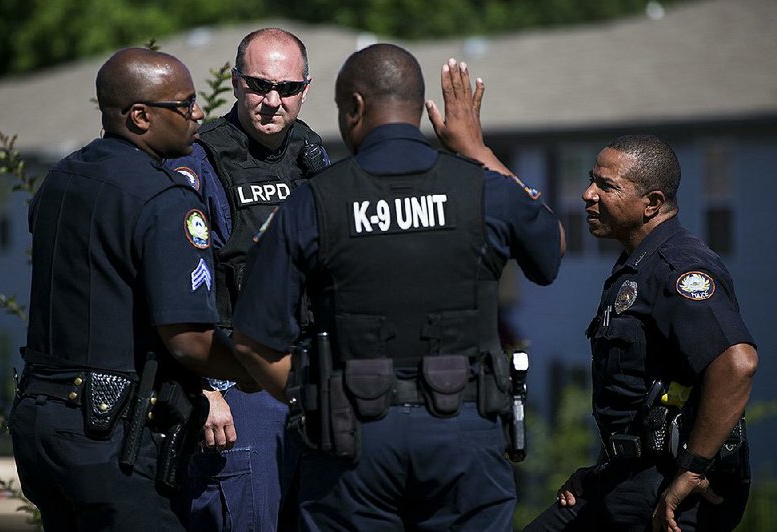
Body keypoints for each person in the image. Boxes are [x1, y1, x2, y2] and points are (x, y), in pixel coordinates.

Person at [231, 44, 566, 530]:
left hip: (352, 441)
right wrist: (477, 149)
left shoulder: (314, 202)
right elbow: (550, 251)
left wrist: (315, 399)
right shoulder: (482, 190)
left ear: (354, 108)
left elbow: (253, 341)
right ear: (418, 108)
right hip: (465, 435)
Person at [9, 48, 256, 531]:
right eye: (184, 105)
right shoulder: (165, 199)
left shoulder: (60, 179)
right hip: (108, 438)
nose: (199, 112)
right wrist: (262, 370)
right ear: (140, 116)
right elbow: (189, 341)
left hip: (41, 422)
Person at [524, 135, 758, 532]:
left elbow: (737, 364)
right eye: (590, 180)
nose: (587, 194)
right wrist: (603, 469)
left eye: (606, 186)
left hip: (669, 493)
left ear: (651, 203)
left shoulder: (678, 267)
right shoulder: (637, 266)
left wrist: (692, 469)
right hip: (623, 475)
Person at [167, 27, 329, 531]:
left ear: (305, 89)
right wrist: (203, 390)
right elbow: (175, 286)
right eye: (259, 85)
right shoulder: (200, 161)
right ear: (236, 83)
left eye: (286, 88)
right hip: (237, 390)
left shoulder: (313, 154)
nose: (272, 101)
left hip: (309, 385)